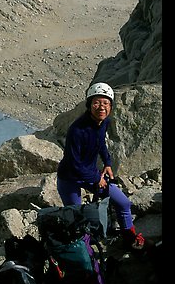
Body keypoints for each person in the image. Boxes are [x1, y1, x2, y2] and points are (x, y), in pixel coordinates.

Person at [57, 82, 145, 250]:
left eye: (105, 103)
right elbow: (74, 164)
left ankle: (130, 237)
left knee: (123, 203)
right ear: (89, 105)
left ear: (110, 106)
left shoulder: (103, 122)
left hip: (89, 173)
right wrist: (97, 178)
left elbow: (101, 143)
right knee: (78, 219)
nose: (101, 107)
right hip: (70, 178)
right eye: (96, 103)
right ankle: (87, 254)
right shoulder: (77, 130)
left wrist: (108, 163)